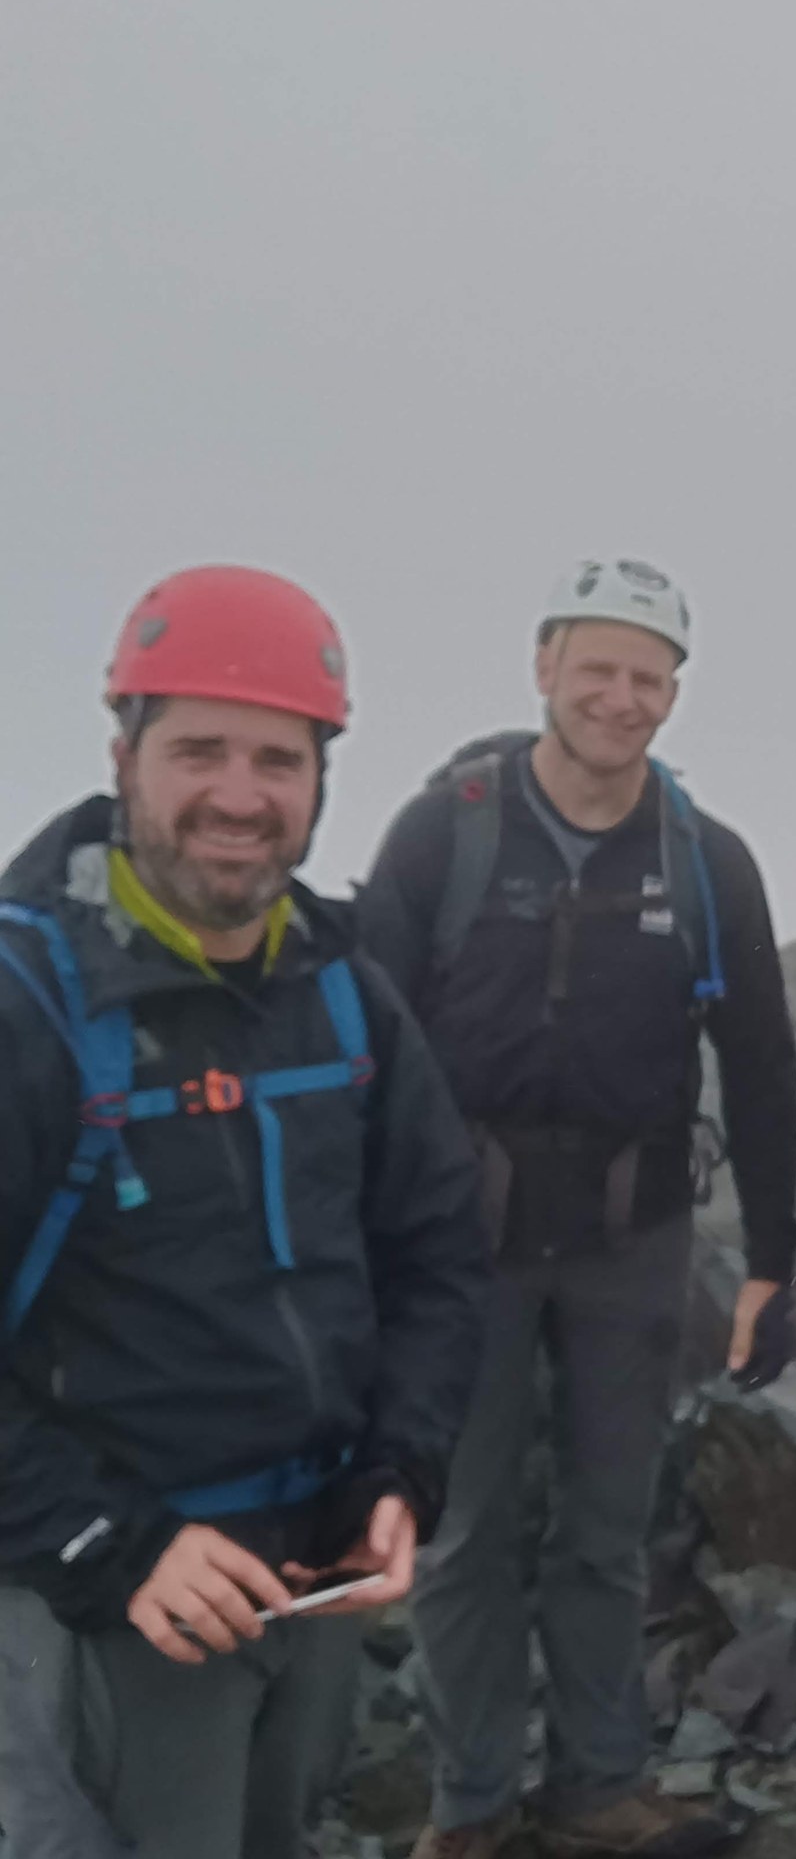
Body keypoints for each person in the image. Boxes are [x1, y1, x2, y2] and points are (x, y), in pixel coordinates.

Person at [0, 566, 489, 1859]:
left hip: (307, 1580)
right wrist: (115, 1547)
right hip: (105, 1601)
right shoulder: (28, 1012)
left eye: (279, 759)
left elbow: (437, 1253)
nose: (240, 794)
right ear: (124, 757)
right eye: (199, 751)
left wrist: (399, 1470)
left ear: (322, 780)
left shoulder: (344, 992)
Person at [361, 557, 796, 1859]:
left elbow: (763, 1063)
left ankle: (599, 1785)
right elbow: (363, 1042)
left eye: (648, 676)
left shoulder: (706, 860)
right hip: (461, 1243)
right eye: (598, 667)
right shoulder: (445, 832)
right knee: (466, 1531)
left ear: (675, 692)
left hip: (633, 1235)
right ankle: (470, 1807)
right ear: (545, 666)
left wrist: (772, 1259)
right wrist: (354, 1243)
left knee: (609, 1528)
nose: (621, 697)